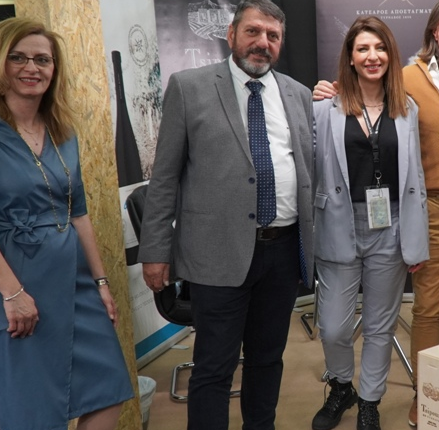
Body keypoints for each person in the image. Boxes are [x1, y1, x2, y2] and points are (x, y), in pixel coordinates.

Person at [314, 2, 439, 425]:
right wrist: (324, 91)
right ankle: (427, 394)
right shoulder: (407, 79)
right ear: (434, 31)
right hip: (424, 207)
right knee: (421, 308)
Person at [137, 1, 315, 429]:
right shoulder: (189, 87)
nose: (262, 43)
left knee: (267, 358)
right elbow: (165, 178)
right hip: (216, 254)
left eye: (273, 36)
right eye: (253, 31)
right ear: (232, 34)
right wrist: (156, 250)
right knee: (214, 366)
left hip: (283, 251)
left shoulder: (298, 93)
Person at [0, 17, 134, 430]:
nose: (31, 67)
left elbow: (78, 211)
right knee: (33, 411)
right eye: (18, 57)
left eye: (42, 59)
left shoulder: (61, 130)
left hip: (75, 280)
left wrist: (101, 282)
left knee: (109, 389)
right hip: (17, 280)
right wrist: (12, 292)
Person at [310, 16, 429, 430]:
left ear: (391, 55)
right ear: (350, 57)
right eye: (362, 48)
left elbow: (416, 177)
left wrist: (417, 237)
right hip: (338, 223)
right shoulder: (323, 107)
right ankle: (342, 385)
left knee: (380, 325)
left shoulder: (407, 109)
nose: (372, 56)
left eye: (379, 48)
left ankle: (369, 401)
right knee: (333, 328)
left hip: (391, 225)